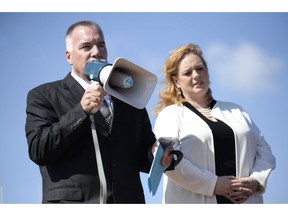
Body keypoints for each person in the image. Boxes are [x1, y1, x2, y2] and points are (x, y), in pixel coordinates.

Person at [25, 20, 157, 203]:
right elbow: (39, 149)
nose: (96, 52)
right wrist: (81, 111)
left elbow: (142, 155)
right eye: (86, 46)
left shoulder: (129, 99)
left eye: (101, 45)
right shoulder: (44, 96)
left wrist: (157, 155)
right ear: (69, 56)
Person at [153, 43, 276, 204]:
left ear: (207, 72)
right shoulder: (170, 115)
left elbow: (265, 152)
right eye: (188, 72)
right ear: (176, 82)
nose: (196, 75)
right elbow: (167, 160)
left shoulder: (237, 110)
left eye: (200, 68)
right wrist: (213, 184)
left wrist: (256, 181)